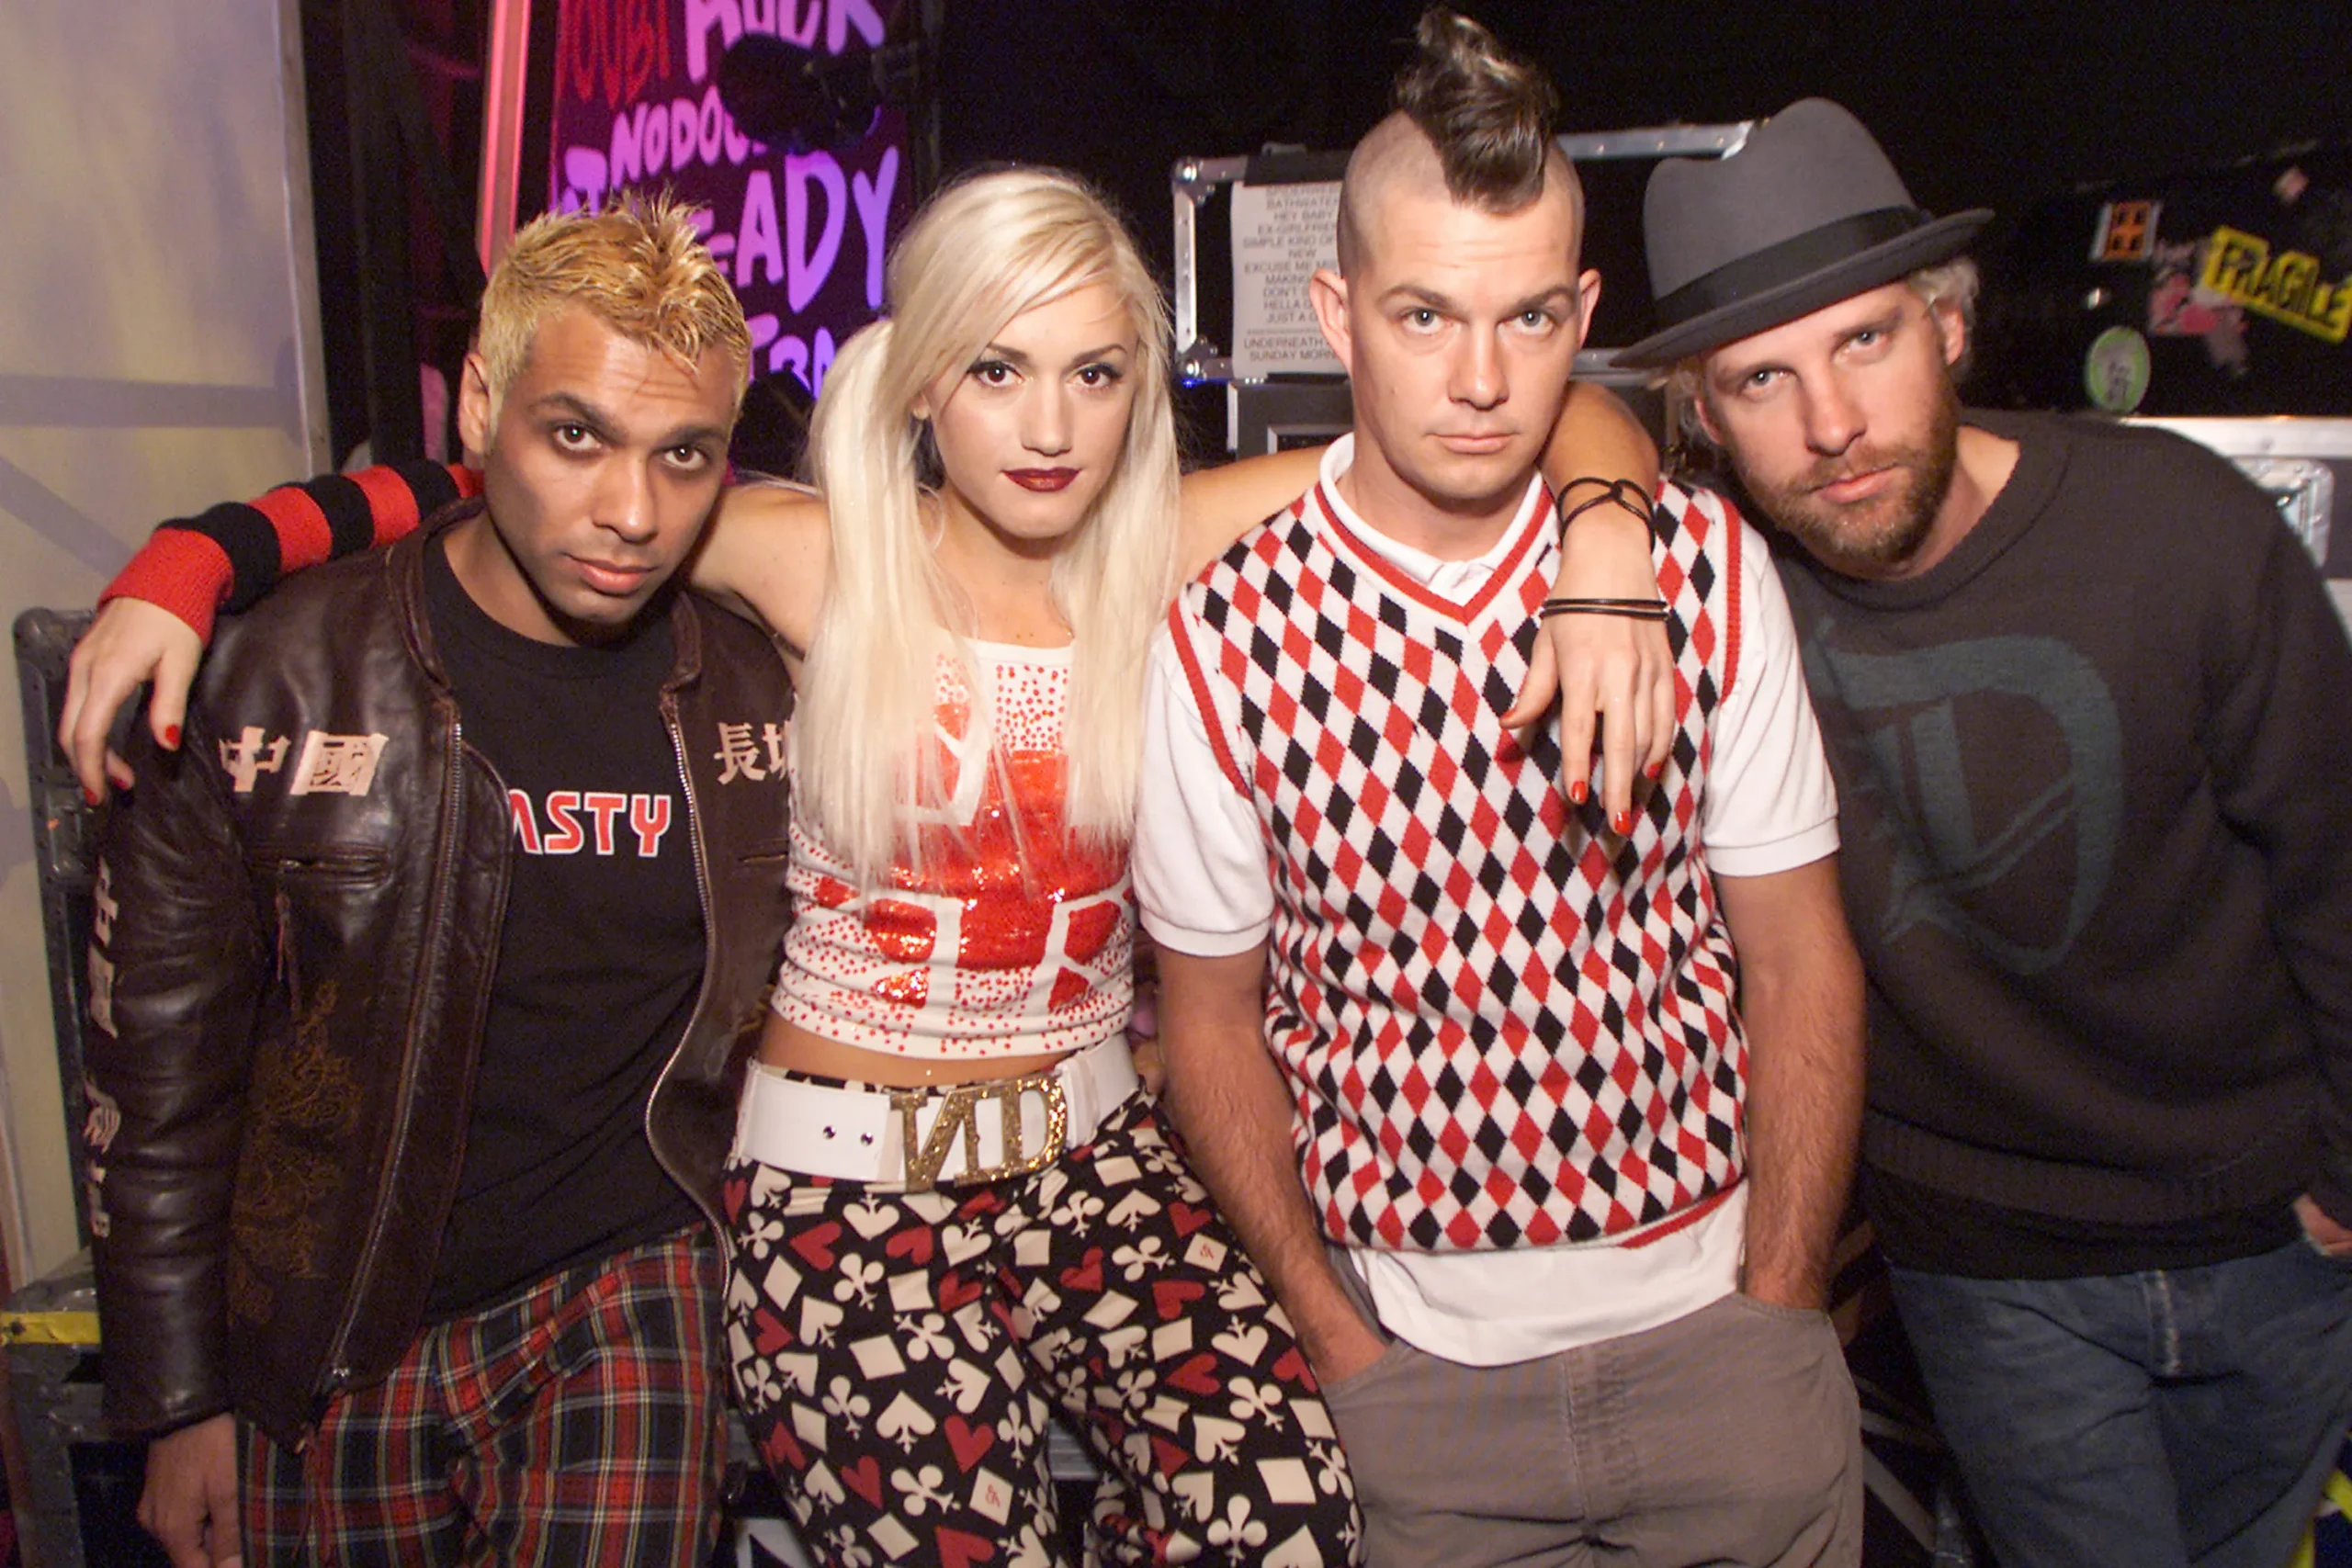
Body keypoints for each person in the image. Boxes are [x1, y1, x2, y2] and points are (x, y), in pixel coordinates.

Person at [1136, 15, 1869, 1568]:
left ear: (1586, 311)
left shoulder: (1701, 570)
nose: (1481, 379)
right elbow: (1209, 1023)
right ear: (1335, 313)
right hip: (1416, 1386)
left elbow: (1799, 950)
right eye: (1424, 315)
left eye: (1530, 319)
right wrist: (1339, 1342)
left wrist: (1783, 1301)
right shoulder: (1225, 628)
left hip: (1719, 1352)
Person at [1611, 96, 2352, 1568]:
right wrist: (1594, 521)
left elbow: (2339, 867)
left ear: (1949, 326)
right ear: (1703, 415)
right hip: (1986, 1260)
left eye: (1865, 342)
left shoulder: (2182, 530)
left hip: (2276, 1230)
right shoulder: (1716, 600)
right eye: (1764, 377)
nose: (1831, 427)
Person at [85, 196, 787, 1568]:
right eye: (574, 434)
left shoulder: (758, 678)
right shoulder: (272, 675)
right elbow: (159, 1071)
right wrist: (179, 1398)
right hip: (331, 1312)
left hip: (634, 1281)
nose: (630, 510)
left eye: (683, 454)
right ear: (478, 406)